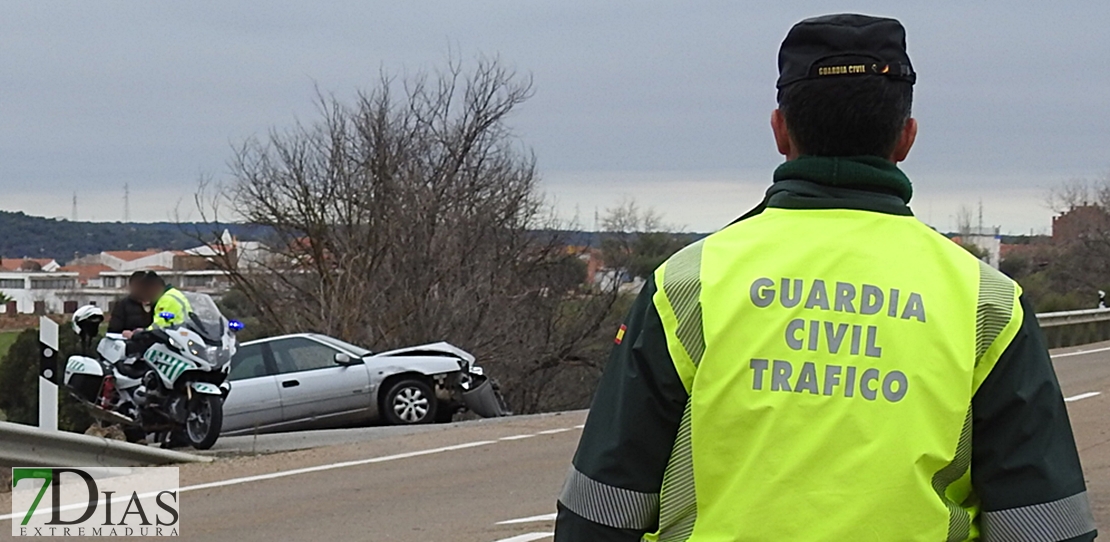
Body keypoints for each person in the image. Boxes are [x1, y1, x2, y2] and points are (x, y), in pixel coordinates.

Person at [555, 14, 1096, 542]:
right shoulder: (987, 303)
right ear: (906, 138)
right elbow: (1044, 524)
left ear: (779, 129)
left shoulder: (687, 284)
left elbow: (604, 505)